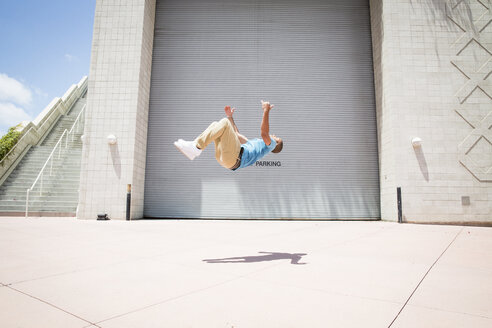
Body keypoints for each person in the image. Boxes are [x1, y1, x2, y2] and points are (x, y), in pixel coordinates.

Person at [174, 100, 283, 171]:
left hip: (235, 157)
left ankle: (196, 147)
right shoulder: (256, 146)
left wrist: (266, 110)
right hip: (227, 160)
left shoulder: (271, 145)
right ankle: (195, 147)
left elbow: (264, 134)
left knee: (224, 123)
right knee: (216, 124)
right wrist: (230, 117)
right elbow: (237, 135)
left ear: (276, 143)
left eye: (276, 137)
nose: (274, 135)